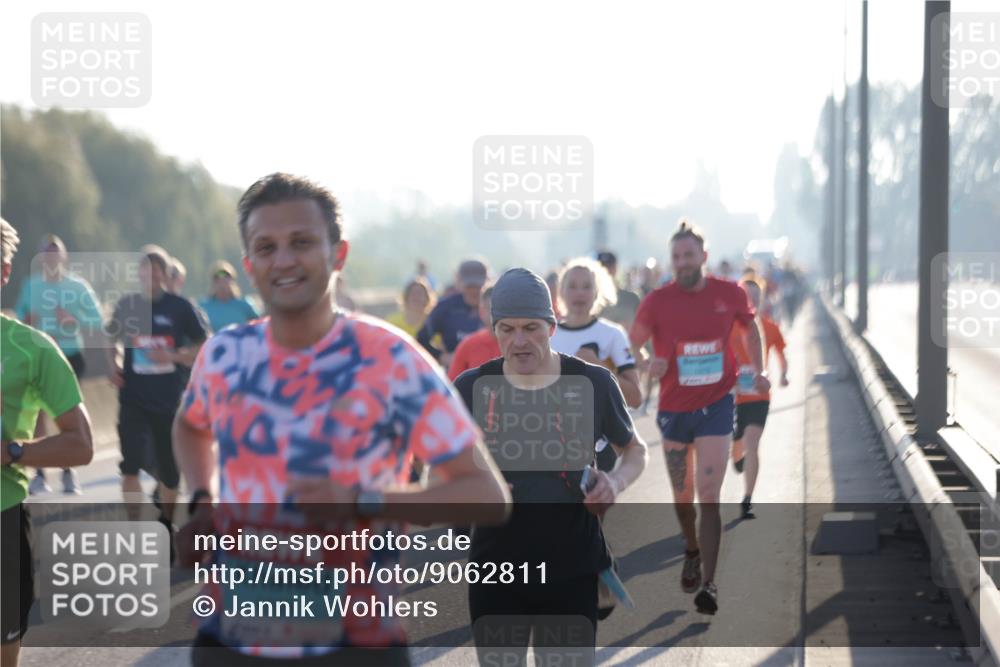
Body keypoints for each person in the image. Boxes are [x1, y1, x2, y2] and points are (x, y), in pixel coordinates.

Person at [172, 172, 511, 666]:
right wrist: (202, 499)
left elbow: (487, 496)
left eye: (302, 242)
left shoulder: (391, 361)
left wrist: (361, 501)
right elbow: (190, 424)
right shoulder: (224, 355)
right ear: (249, 265)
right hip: (230, 639)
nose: (283, 260)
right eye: (266, 247)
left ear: (339, 254)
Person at [453, 267, 648, 667]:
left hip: (571, 570)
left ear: (552, 326)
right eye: (506, 329)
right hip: (496, 573)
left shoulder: (593, 382)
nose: (519, 341)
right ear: (494, 329)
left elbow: (635, 449)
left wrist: (614, 481)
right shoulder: (471, 388)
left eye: (531, 328)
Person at [630, 220, 768, 615]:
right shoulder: (657, 300)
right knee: (682, 496)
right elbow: (631, 346)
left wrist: (758, 368)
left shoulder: (729, 294)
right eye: (676, 257)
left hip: (716, 406)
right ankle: (691, 549)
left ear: (703, 257)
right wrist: (647, 363)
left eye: (689, 255)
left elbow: (752, 327)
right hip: (674, 410)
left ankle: (709, 583)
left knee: (709, 494)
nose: (682, 262)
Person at [1, 218, 94, 667]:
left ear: (4, 270)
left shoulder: (32, 350)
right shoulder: (33, 299)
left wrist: (15, 451)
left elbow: (81, 444)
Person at [106, 245, 208, 532]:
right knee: (129, 466)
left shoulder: (180, 307)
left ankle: (166, 523)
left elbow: (203, 344)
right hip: (132, 398)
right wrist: (111, 363)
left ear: (165, 274)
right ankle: (135, 528)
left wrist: (173, 356)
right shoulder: (127, 305)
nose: (149, 274)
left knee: (170, 473)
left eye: (155, 269)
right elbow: (109, 336)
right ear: (138, 272)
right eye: (144, 268)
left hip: (167, 401)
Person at [15, 233, 103, 495]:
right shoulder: (31, 286)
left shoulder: (77, 286)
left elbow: (97, 320)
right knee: (37, 413)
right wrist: (27, 319)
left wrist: (73, 319)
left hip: (69, 355)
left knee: (66, 414)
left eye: (56, 252)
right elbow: (20, 316)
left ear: (63, 256)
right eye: (47, 252)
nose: (51, 257)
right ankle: (40, 474)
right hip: (38, 356)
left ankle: (67, 471)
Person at [729, 276, 789, 519]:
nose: (751, 300)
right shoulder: (727, 325)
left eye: (755, 296)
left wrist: (784, 374)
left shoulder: (768, 326)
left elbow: (782, 355)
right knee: (737, 447)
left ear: (762, 298)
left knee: (752, 443)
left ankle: (747, 499)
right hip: (731, 398)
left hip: (758, 397)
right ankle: (737, 458)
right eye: (746, 295)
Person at [416, 258, 488, 369]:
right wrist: (442, 356)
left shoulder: (496, 307)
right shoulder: (446, 307)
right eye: (469, 286)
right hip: (456, 375)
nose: (474, 291)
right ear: (459, 283)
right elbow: (421, 339)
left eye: (478, 286)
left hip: (489, 375)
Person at [447, 283, 499, 380]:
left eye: (501, 308)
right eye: (491, 309)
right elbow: (452, 388)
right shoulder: (468, 345)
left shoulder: (520, 345)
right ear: (482, 312)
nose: (497, 314)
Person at [197, 259, 259, 332]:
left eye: (226, 278)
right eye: (217, 279)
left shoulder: (244, 305)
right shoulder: (203, 307)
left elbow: (259, 327)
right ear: (213, 282)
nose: (222, 282)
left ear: (232, 281)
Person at [596, 251, 641, 330]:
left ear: (616, 268)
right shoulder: (590, 299)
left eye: (610, 266)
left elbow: (641, 329)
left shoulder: (631, 299)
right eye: (602, 266)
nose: (606, 270)